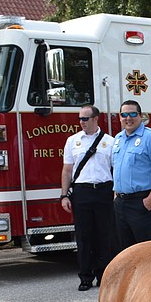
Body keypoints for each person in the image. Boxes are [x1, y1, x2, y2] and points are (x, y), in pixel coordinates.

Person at [59, 105, 115, 290]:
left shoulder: (110, 141)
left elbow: (116, 169)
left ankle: (103, 276)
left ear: (95, 119)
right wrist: (64, 195)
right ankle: (85, 277)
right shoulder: (72, 141)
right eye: (80, 119)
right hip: (82, 191)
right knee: (84, 236)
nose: (81, 122)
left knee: (104, 235)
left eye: (85, 119)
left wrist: (116, 191)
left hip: (104, 190)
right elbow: (67, 170)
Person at [111, 100, 151, 250]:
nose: (128, 118)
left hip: (140, 202)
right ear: (120, 117)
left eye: (132, 114)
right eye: (124, 114)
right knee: (125, 250)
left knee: (145, 251)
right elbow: (117, 167)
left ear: (141, 116)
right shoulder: (118, 139)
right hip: (121, 203)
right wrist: (116, 194)